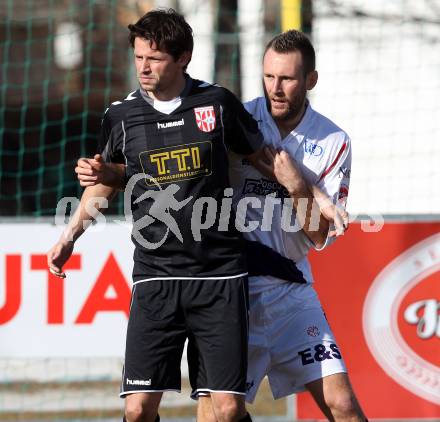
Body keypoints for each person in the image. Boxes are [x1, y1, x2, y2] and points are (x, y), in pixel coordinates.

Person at [47, 8, 268, 422]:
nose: (144, 68)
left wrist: (308, 196)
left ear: (182, 57)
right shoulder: (121, 116)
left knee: (227, 408)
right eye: (138, 57)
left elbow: (262, 158)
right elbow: (108, 179)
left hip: (218, 276)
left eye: (155, 58)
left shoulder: (216, 103)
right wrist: (70, 235)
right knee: (137, 409)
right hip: (156, 276)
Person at [196, 30, 367, 421]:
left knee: (344, 407)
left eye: (287, 78)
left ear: (310, 81)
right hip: (232, 288)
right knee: (218, 414)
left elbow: (319, 234)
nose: (275, 88)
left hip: (291, 292)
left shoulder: (334, 140)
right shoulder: (238, 119)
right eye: (269, 76)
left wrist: (294, 184)